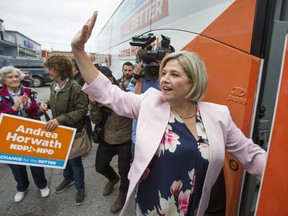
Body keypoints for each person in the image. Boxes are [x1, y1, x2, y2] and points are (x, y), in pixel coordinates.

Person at [71, 12, 267, 216]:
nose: (164, 79)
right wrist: (78, 50)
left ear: (194, 82)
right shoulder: (148, 103)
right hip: (152, 207)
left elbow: (251, 154)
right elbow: (109, 93)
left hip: (193, 209)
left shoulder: (219, 116)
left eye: (174, 74)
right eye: (164, 73)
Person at [40, 54, 88, 206]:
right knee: (64, 158)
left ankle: (80, 188)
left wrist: (59, 120)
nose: (48, 72)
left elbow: (81, 110)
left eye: (50, 69)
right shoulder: (53, 85)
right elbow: (54, 100)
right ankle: (69, 178)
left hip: (72, 132)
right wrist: (46, 104)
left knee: (75, 161)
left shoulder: (75, 88)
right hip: (59, 131)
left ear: (60, 70)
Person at [0, 66, 50, 202]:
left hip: (31, 134)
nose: (15, 79)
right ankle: (22, 187)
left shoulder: (30, 91)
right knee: (16, 164)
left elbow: (39, 112)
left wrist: (28, 105)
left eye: (16, 76)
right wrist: (13, 108)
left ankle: (42, 185)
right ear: (4, 80)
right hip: (10, 136)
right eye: (10, 77)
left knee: (35, 162)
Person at [89, 66, 132, 214]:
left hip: (125, 139)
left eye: (107, 80)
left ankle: (122, 194)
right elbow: (96, 120)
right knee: (100, 166)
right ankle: (113, 178)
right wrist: (94, 106)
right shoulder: (97, 95)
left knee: (125, 171)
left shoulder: (125, 91)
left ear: (112, 78)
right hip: (107, 139)